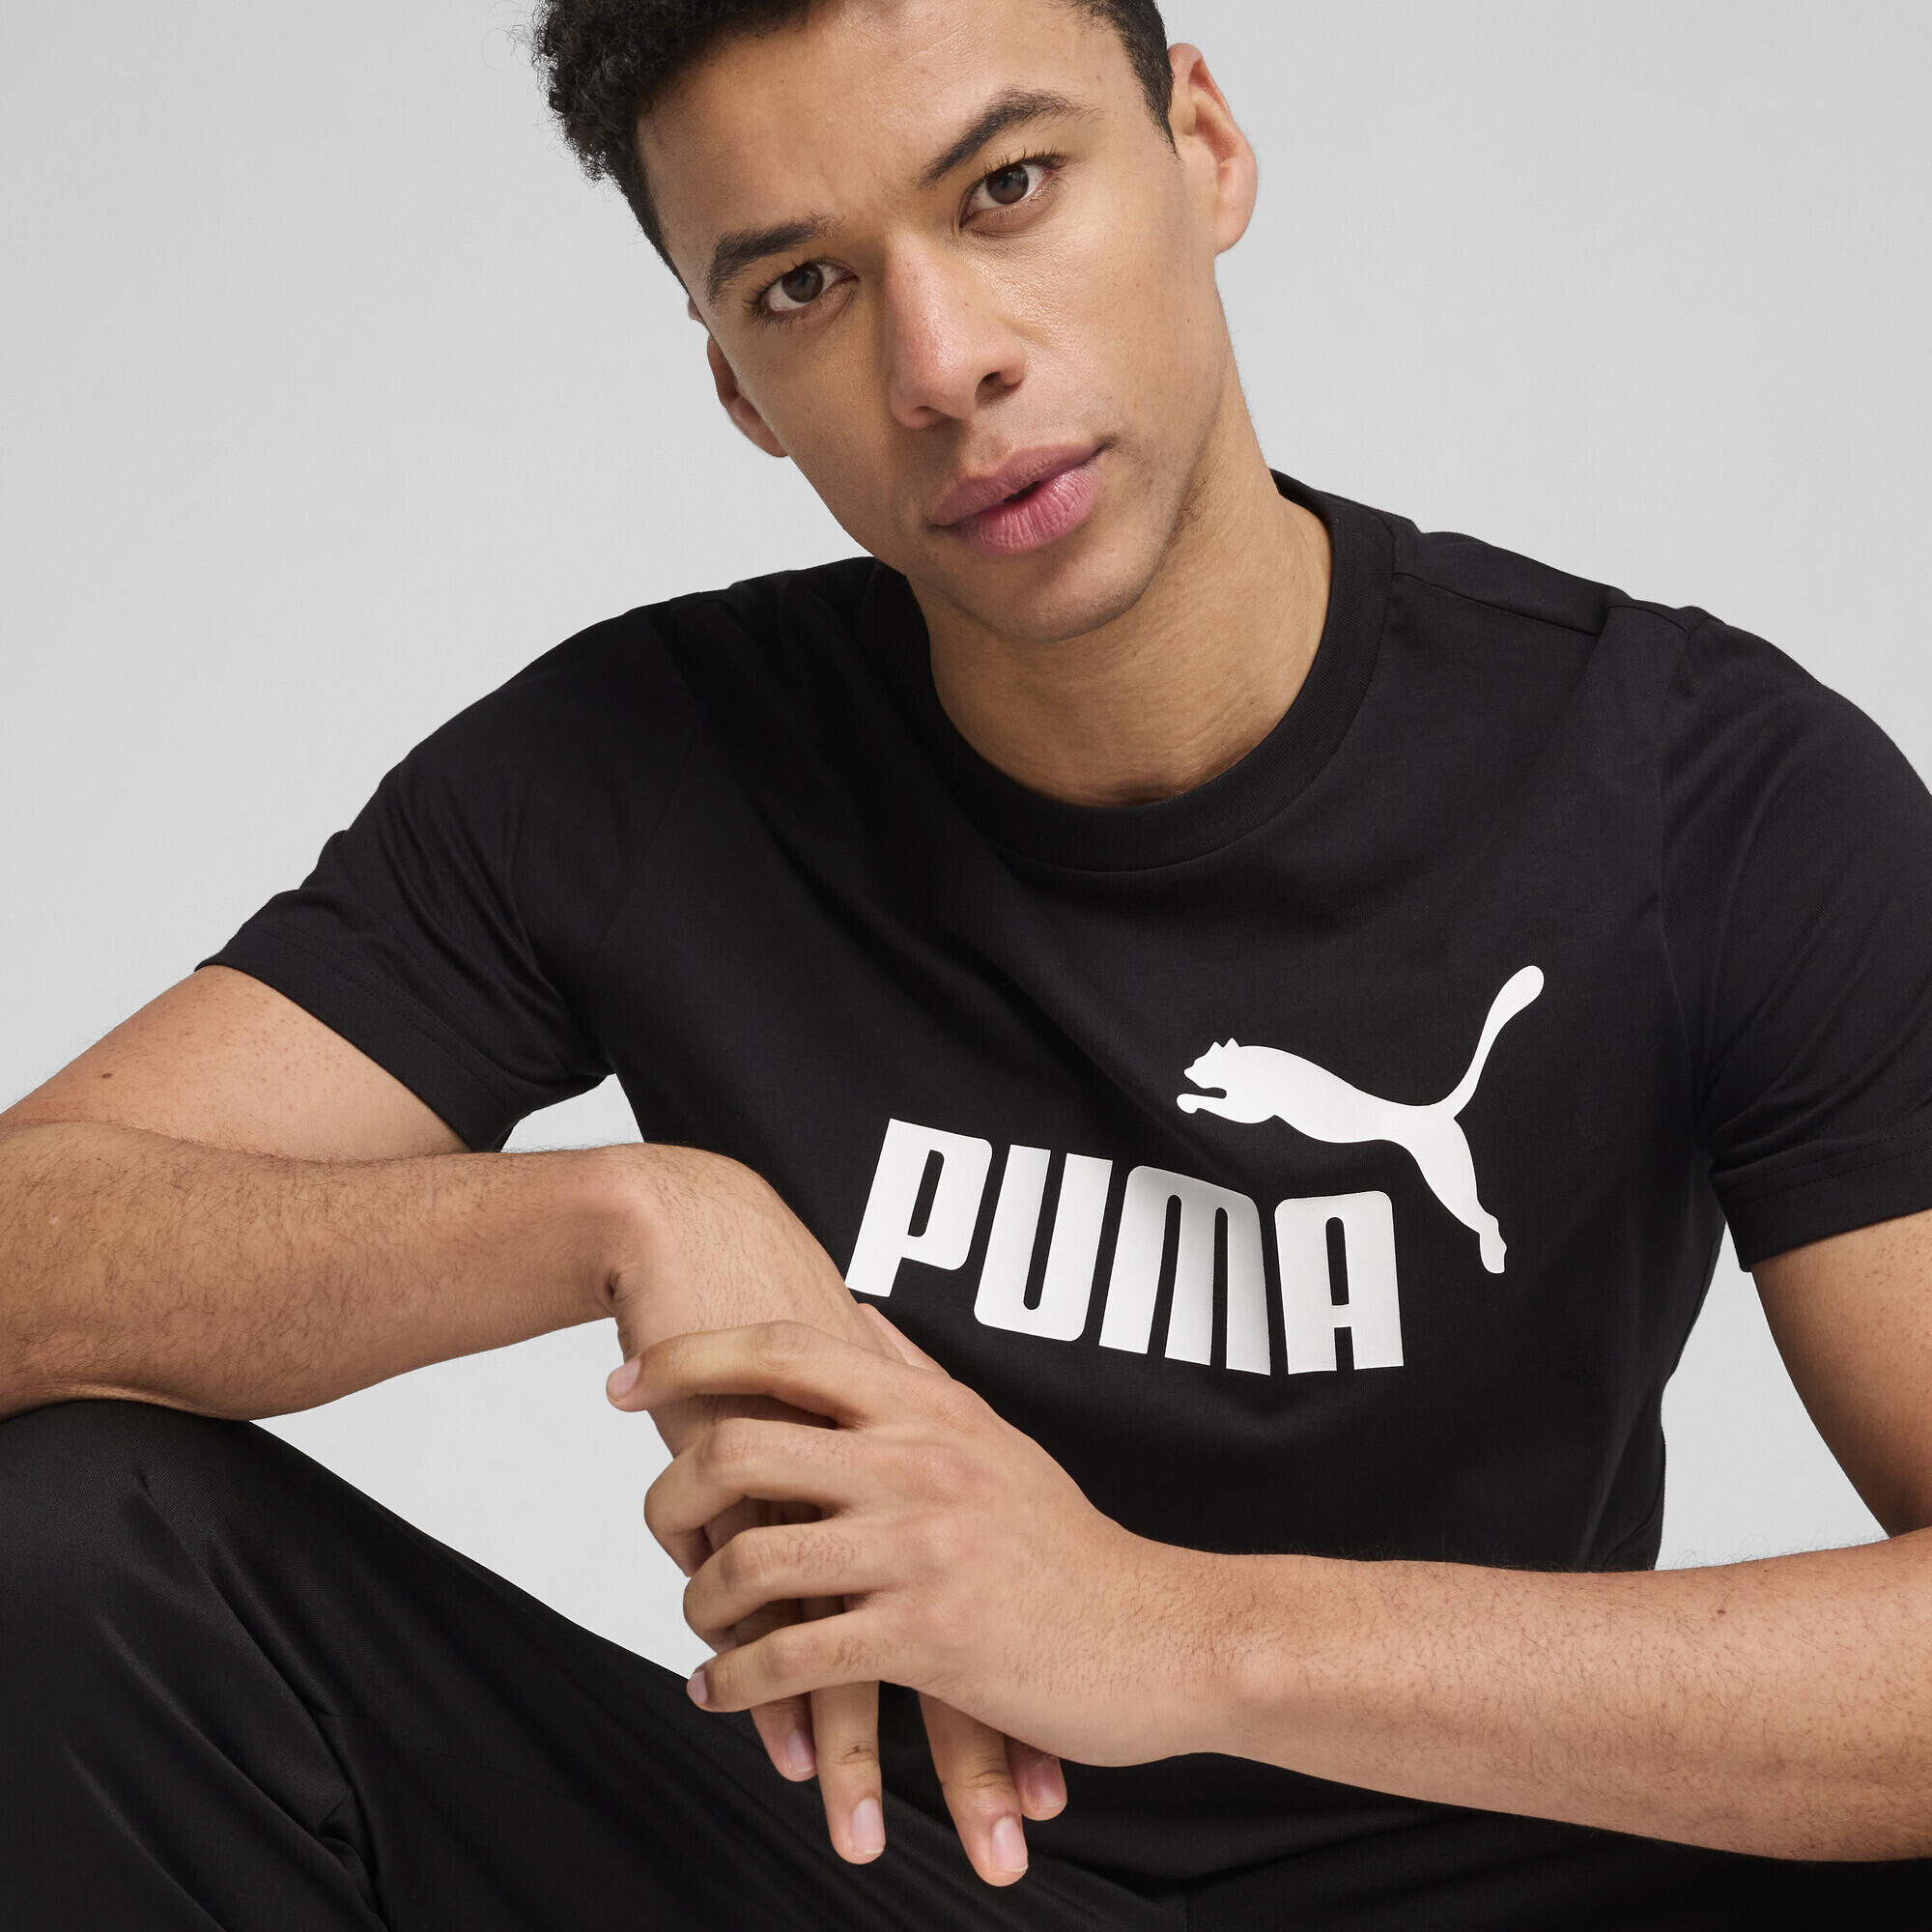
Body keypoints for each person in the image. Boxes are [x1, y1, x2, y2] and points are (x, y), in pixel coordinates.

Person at [3, 0, 1929, 1924]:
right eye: (805, 286)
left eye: (1006, 187)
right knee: (66, 1542)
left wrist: (1177, 1632)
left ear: (1203, 145)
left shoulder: (1696, 788)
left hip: (1538, 1886)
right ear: (740, 383)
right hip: (881, 1886)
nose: (941, 364)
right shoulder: (632, 770)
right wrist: (624, 1210)